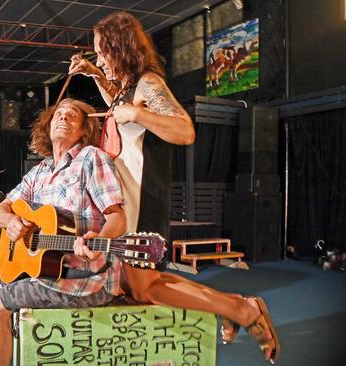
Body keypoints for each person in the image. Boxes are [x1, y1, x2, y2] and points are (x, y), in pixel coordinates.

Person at [68, 11, 280, 364]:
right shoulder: (126, 90)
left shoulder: (148, 84)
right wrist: (95, 76)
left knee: (145, 287)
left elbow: (185, 130)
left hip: (144, 200)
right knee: (142, 287)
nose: (99, 59)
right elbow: (119, 105)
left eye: (102, 52)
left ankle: (242, 309)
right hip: (126, 202)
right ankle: (238, 307)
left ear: (121, 48)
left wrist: (138, 115)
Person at [0, 98, 127, 366]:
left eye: (72, 117)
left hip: (85, 279)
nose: (63, 118)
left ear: (84, 131)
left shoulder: (91, 158)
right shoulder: (39, 171)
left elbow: (117, 217)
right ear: (47, 127)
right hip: (55, 273)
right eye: (59, 114)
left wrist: (99, 241)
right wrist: (10, 220)